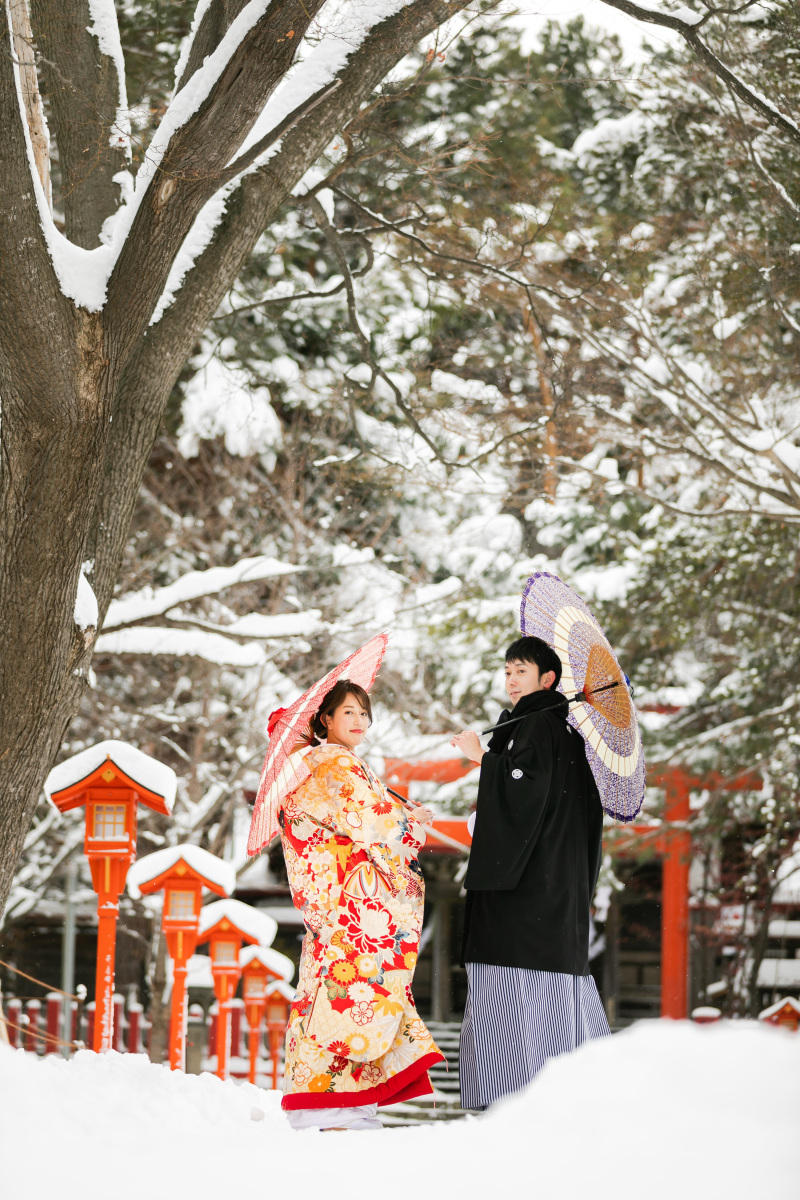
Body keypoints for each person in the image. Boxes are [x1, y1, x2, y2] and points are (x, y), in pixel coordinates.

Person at [451, 635, 609, 1110]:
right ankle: (561, 1099)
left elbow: (524, 794)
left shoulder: (536, 723)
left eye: (521, 670)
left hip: (523, 906)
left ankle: (510, 1103)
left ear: (548, 679)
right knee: (553, 1006)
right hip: (554, 904)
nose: (511, 680)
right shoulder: (562, 731)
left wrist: (482, 757)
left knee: (510, 1003)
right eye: (507, 672)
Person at [279, 680, 444, 1130]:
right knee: (354, 996)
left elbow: (368, 816)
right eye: (347, 712)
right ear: (325, 720)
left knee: (335, 995)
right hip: (353, 908)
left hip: (335, 909)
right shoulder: (334, 765)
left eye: (363, 714)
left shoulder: (323, 766)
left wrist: (404, 815)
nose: (358, 722)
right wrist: (410, 824)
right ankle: (336, 1108)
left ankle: (333, 1102)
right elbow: (373, 823)